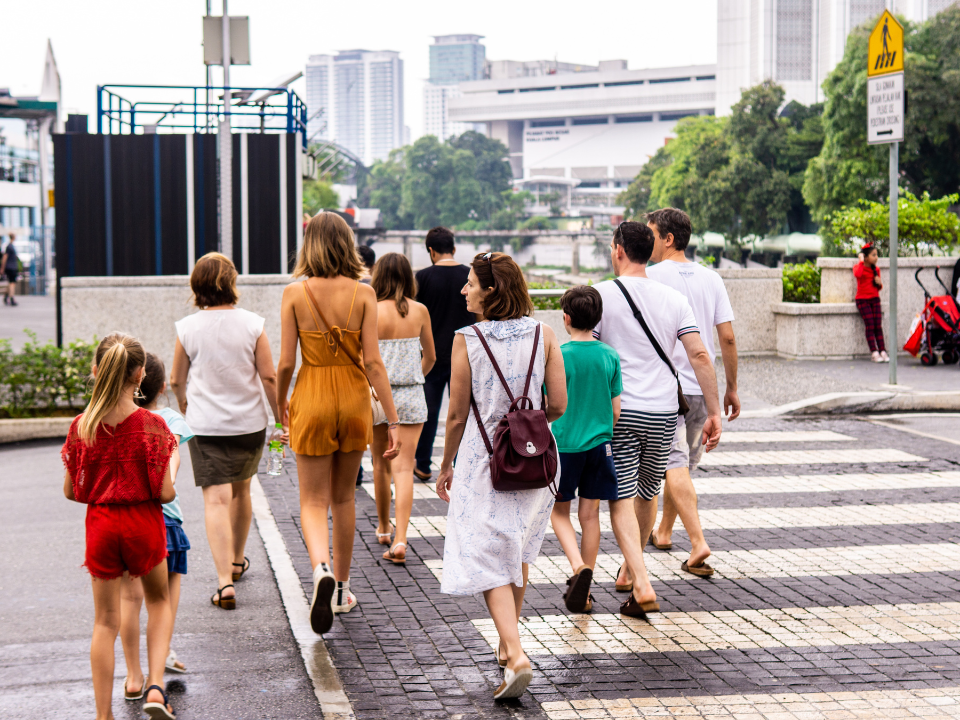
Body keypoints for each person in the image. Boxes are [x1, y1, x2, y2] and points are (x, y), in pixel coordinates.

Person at [436, 252, 567, 700]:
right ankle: (506, 644)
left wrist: (445, 463)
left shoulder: (466, 339)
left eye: (470, 283)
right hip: (534, 457)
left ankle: (515, 653)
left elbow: (456, 415)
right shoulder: (544, 332)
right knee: (515, 548)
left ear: (490, 290)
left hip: (483, 459)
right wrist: (524, 426)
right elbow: (558, 405)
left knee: (486, 551)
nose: (464, 289)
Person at [276, 212, 401, 635]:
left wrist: (280, 407)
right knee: (343, 498)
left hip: (311, 396)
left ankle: (320, 568)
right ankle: (343, 589)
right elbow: (373, 362)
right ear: (348, 244)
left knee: (311, 500)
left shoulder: (294, 293)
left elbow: (286, 363)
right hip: (352, 399)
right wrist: (394, 418)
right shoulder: (364, 294)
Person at [592, 222, 722, 616]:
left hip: (622, 410)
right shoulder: (672, 297)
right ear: (650, 251)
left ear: (617, 250)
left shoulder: (600, 295)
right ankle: (630, 570)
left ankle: (640, 575)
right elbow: (700, 355)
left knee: (623, 496)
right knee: (648, 492)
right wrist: (714, 410)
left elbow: (590, 353)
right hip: (665, 412)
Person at [62, 333, 179, 720]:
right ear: (140, 374)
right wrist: (172, 463)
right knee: (159, 603)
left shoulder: (82, 426)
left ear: (96, 371)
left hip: (100, 524)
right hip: (142, 522)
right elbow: (164, 494)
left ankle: (102, 715)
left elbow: (73, 492)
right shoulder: (152, 426)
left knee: (104, 621)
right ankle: (156, 688)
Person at [170, 252, 283, 611]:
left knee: (215, 499)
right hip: (249, 424)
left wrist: (184, 402)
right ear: (231, 282)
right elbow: (268, 376)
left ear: (197, 285)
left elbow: (176, 378)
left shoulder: (187, 327)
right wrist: (280, 418)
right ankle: (237, 560)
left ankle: (224, 583)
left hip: (205, 426)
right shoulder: (253, 323)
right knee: (242, 491)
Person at [645, 208, 740, 577]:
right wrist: (730, 387)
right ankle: (664, 532)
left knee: (670, 466)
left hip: (665, 388)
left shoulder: (649, 277)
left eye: (652, 233)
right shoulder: (711, 278)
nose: (648, 240)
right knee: (681, 465)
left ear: (668, 238)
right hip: (700, 388)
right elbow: (727, 337)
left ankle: (696, 541)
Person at [119, 353, 194, 696]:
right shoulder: (169, 421)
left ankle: (134, 677)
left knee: (130, 600)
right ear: (162, 387)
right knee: (162, 602)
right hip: (167, 520)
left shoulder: (121, 416)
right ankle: (162, 658)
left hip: (128, 519)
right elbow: (170, 468)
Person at [549, 286, 621, 614]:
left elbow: (549, 402)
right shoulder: (609, 355)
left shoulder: (559, 356)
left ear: (566, 317)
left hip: (565, 447)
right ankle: (587, 592)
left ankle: (579, 568)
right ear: (598, 318)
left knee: (558, 512)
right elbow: (616, 410)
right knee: (590, 516)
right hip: (601, 446)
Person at [370, 253, 436, 564]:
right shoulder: (420, 311)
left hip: (376, 397)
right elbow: (432, 357)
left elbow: (364, 358)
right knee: (404, 468)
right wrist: (414, 377)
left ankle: (383, 526)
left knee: (380, 465)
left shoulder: (370, 310)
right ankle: (400, 539)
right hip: (411, 396)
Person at [413, 227, 477, 481]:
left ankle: (423, 464)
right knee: (464, 412)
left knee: (428, 410)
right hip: (467, 354)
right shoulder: (468, 275)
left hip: (433, 354)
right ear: (454, 248)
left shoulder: (423, 277)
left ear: (430, 250)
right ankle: (462, 463)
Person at [854, 243, 889, 363]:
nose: (876, 257)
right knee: (870, 325)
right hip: (862, 300)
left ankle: (882, 350)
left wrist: (879, 283)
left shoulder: (876, 270)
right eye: (873, 255)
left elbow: (878, 288)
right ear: (866, 257)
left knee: (878, 325)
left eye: (877, 255)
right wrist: (861, 261)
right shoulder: (859, 267)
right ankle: (874, 352)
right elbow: (857, 274)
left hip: (875, 299)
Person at [2, 236, 19, 306]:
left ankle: (6, 296)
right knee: (12, 283)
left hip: (12, 267)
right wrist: (2, 268)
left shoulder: (11, 246)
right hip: (10, 268)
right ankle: (12, 298)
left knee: (10, 282)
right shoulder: (9, 247)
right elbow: (5, 257)